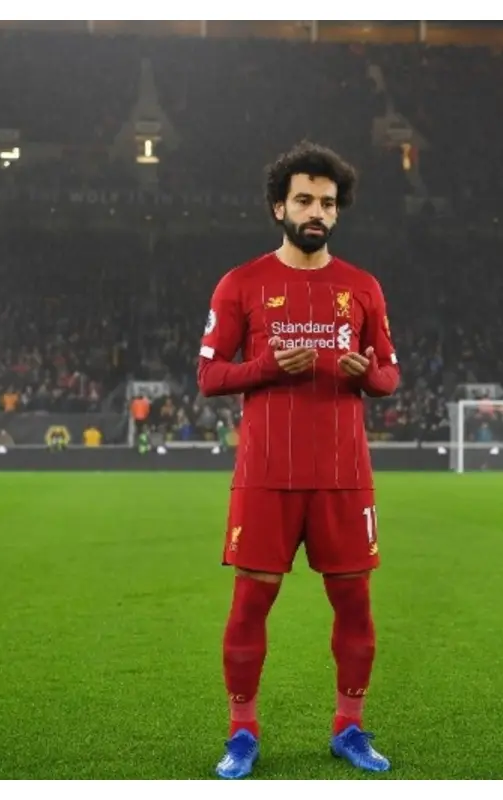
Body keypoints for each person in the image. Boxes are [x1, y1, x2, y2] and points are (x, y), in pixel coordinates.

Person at [196, 141, 400, 779]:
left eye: (328, 204)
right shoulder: (242, 284)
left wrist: (367, 376)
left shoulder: (362, 287)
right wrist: (266, 367)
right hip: (267, 476)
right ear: (278, 207)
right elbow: (209, 376)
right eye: (305, 200)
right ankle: (242, 734)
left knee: (355, 608)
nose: (317, 212)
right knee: (249, 607)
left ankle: (349, 728)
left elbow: (389, 375)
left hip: (344, 478)